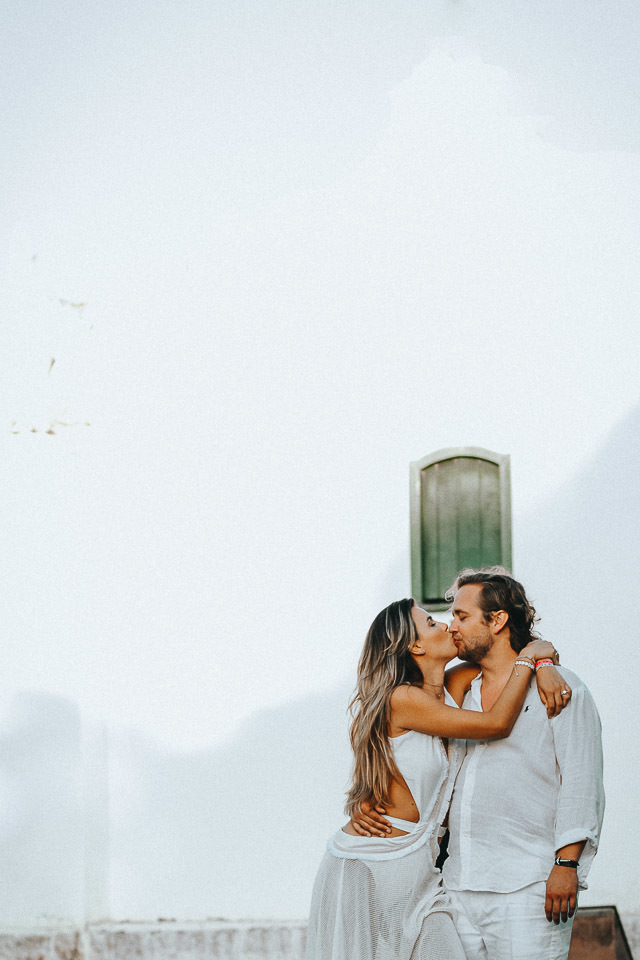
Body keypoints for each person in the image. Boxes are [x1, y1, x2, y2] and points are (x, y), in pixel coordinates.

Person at [353, 569, 605, 960]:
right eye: (447, 618)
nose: (452, 626)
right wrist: (367, 801)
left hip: (528, 885)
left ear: (498, 620)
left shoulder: (560, 690)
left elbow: (581, 781)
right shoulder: (457, 691)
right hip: (455, 887)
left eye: (461, 616)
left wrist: (566, 864)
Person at [305, 596, 569, 960]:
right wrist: (530, 660)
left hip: (424, 874)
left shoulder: (453, 685)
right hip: (371, 865)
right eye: (431, 623)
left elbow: (502, 656)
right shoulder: (402, 699)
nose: (447, 625)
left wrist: (542, 659)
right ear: (414, 645)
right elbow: (496, 724)